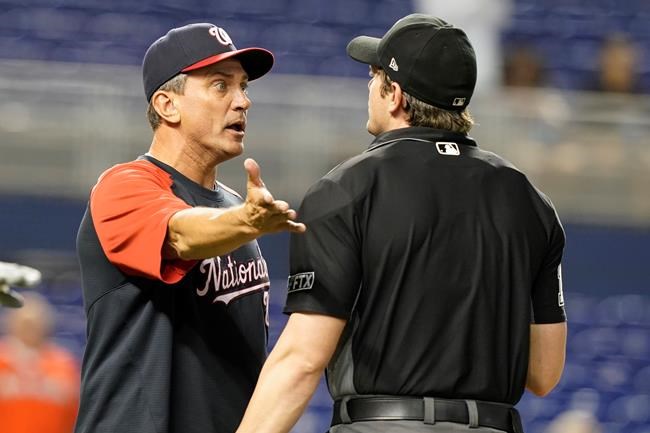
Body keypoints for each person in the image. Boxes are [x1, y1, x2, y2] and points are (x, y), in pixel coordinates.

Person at [236, 14, 567, 433]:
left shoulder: (345, 188)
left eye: (375, 76)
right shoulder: (530, 200)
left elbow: (302, 358)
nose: (369, 87)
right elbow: (544, 373)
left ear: (393, 94)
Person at [73, 22, 305, 433]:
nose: (243, 102)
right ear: (168, 105)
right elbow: (178, 233)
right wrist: (246, 222)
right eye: (221, 86)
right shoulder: (123, 186)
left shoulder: (234, 206)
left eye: (244, 86)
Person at [0, 292, 80, 433]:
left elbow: (75, 412)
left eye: (35, 323)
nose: (30, 329)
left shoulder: (64, 363)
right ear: (12, 323)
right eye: (25, 323)